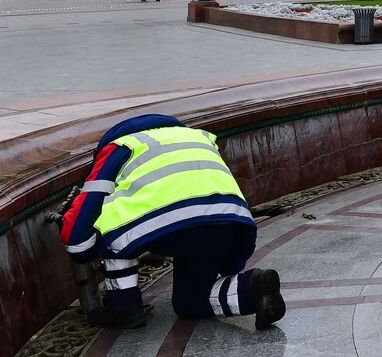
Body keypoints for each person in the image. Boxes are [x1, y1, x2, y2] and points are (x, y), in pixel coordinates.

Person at [58, 113, 285, 330]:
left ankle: (123, 307)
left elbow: (82, 222)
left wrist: (84, 250)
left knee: (108, 224)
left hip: (170, 227)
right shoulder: (199, 137)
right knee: (190, 301)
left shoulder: (119, 147)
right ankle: (254, 288)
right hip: (228, 222)